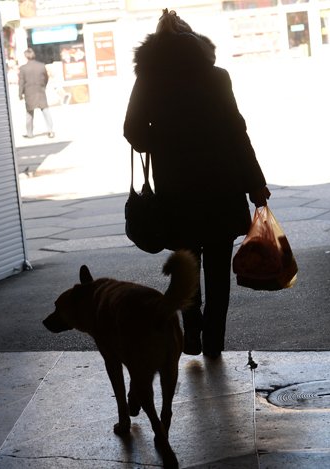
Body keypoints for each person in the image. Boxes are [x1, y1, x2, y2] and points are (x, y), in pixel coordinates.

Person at [123, 9, 270, 359]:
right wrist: (255, 183)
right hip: (222, 186)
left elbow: (132, 131)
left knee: (186, 265)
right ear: (195, 45)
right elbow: (237, 132)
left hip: (176, 192)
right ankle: (214, 343)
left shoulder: (149, 80)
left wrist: (160, 141)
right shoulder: (216, 77)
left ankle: (191, 330)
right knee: (218, 269)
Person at [18, 48, 55, 138]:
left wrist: (20, 94)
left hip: (29, 93)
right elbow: (46, 78)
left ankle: (30, 133)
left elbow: (21, 82)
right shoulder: (41, 66)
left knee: (29, 114)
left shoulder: (23, 68)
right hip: (40, 91)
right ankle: (50, 130)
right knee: (46, 111)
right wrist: (43, 86)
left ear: (26, 56)